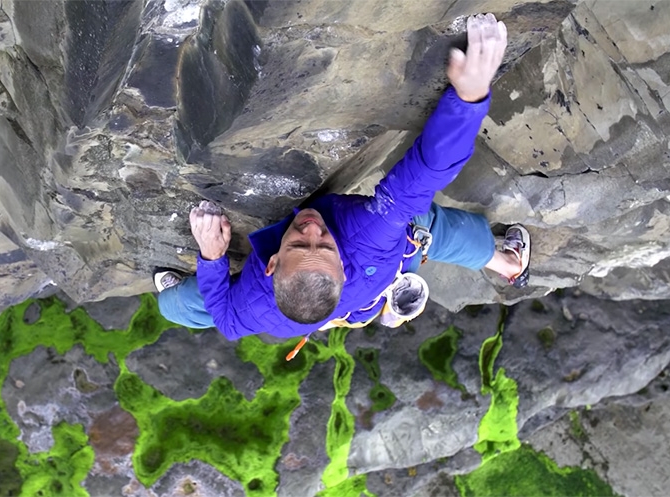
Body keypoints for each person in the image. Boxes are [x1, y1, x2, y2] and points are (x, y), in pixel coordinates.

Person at [156, 13, 530, 341]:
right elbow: (422, 176)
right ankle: (507, 263)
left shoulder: (257, 310)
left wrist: (212, 256)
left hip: (345, 302)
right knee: (420, 223)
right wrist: (468, 100)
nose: (313, 229)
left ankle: (168, 302)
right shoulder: (367, 235)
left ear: (271, 266)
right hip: (381, 267)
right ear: (341, 270)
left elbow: (225, 320)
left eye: (299, 245)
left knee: (184, 305)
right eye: (324, 246)